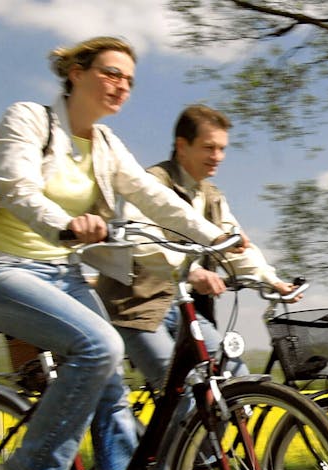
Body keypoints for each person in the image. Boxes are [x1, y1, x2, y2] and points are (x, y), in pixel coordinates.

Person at [0, 36, 241, 470]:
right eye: (111, 73)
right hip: (4, 269)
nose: (121, 86)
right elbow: (16, 185)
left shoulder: (106, 145)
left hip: (63, 274)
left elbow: (153, 196)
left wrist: (217, 238)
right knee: (101, 344)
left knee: (111, 388)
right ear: (75, 71)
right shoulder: (28, 119)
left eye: (130, 80)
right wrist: (64, 223)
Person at [96, 104, 298, 393]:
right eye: (209, 147)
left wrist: (272, 281)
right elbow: (140, 237)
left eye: (222, 149)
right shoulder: (152, 183)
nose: (218, 157)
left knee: (235, 380)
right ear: (182, 146)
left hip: (181, 307)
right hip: (136, 307)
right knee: (185, 393)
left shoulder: (212, 196)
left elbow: (235, 246)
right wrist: (190, 272)